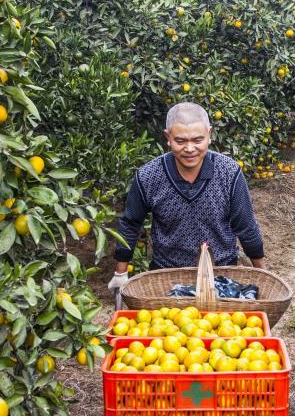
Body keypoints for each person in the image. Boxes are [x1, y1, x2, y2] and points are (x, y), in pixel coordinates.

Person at [108, 102, 265, 300]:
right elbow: (131, 224)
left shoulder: (229, 172)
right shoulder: (149, 176)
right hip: (166, 276)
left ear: (209, 135)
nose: (190, 148)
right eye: (180, 141)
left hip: (221, 277)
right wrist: (120, 273)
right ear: (168, 137)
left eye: (198, 140)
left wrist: (263, 274)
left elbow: (246, 226)